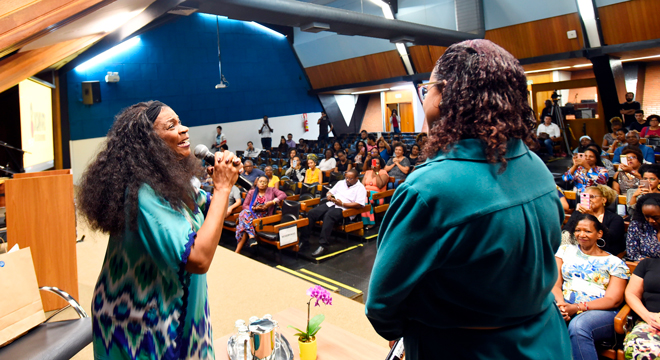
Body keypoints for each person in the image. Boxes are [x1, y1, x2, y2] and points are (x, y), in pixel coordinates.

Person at [365, 39, 571, 359]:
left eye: (427, 89)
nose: (425, 98)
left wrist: (413, 331)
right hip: (545, 339)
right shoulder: (537, 167)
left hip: (466, 348)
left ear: (444, 93)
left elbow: (381, 302)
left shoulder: (428, 188)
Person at [77, 101, 242, 360]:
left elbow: (214, 213)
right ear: (148, 141)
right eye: (172, 125)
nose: (184, 129)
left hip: (173, 304)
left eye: (181, 121)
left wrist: (223, 185)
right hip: (139, 320)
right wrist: (222, 188)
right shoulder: (143, 192)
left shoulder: (172, 181)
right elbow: (198, 259)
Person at [553, 213, 630, 360]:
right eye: (578, 230)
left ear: (599, 233)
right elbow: (555, 284)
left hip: (600, 311)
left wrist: (576, 307)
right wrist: (562, 304)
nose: (581, 234)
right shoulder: (564, 251)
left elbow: (613, 300)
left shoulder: (615, 263)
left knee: (579, 326)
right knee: (540, 312)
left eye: (587, 231)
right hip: (565, 303)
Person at [302, 169, 366, 256]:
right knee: (312, 213)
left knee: (329, 216)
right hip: (332, 203)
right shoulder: (340, 182)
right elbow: (330, 191)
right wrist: (329, 195)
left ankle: (323, 245)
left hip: (345, 209)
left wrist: (342, 203)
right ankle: (304, 241)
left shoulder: (360, 188)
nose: (347, 180)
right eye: (346, 177)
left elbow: (359, 204)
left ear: (356, 178)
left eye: (350, 178)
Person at [563, 185, 626, 256]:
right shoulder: (578, 213)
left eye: (592, 197)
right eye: (585, 197)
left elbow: (610, 238)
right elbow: (567, 231)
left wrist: (592, 216)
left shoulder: (616, 218)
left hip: (604, 254)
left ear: (603, 200)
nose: (588, 199)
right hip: (578, 251)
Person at [235, 176, 287, 253]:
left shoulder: (271, 190)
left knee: (244, 221)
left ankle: (240, 248)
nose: (262, 183)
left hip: (264, 217)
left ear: (267, 184)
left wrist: (272, 202)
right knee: (244, 213)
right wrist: (255, 208)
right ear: (257, 183)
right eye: (260, 181)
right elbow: (245, 206)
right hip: (252, 214)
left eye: (264, 182)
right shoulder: (252, 192)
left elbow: (283, 195)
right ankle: (251, 237)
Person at [623, 256, 660, 358]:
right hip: (651, 322)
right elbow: (631, 294)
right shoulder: (647, 263)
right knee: (638, 347)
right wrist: (647, 316)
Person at [627, 193, 660, 261]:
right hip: (646, 268)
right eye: (647, 216)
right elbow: (632, 254)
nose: (651, 221)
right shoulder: (637, 225)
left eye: (655, 217)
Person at [361, 157, 388, 230]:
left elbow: (380, 185)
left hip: (378, 196)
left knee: (366, 198)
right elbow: (362, 185)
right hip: (366, 193)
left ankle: (370, 222)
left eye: (378, 163)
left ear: (381, 165)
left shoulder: (383, 172)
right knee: (362, 197)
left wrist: (376, 173)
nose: (375, 165)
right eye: (374, 163)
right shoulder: (367, 172)